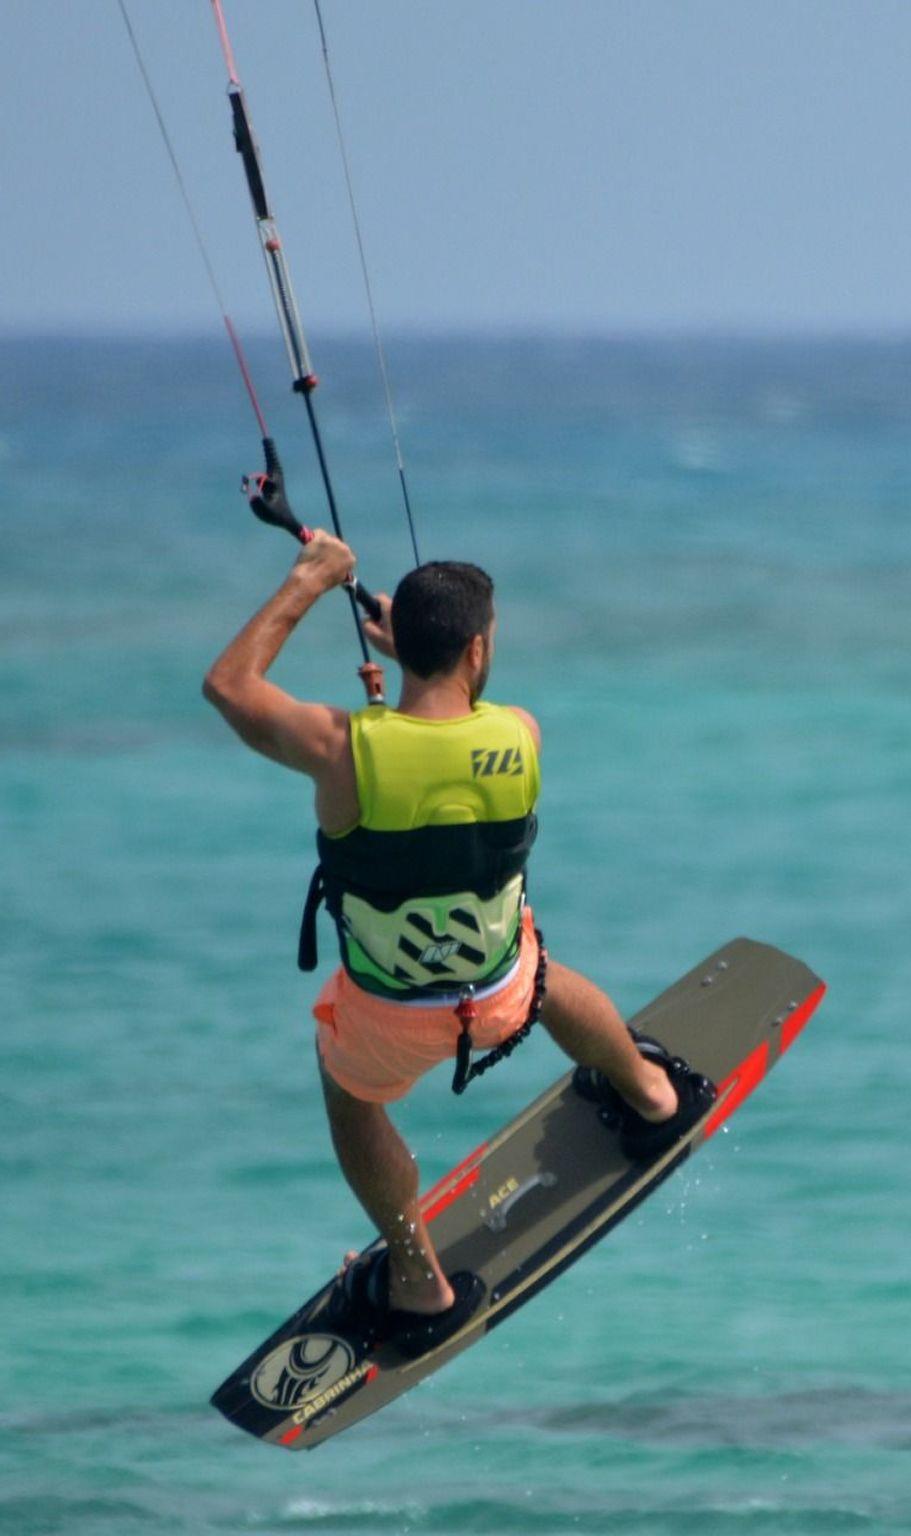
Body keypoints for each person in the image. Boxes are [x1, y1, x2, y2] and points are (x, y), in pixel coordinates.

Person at [203, 519, 715, 1355]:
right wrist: (414, 664)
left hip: (390, 1020)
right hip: (503, 993)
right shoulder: (520, 732)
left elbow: (228, 687)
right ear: (477, 650)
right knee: (542, 970)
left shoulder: (341, 749)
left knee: (349, 1094)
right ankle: (653, 1096)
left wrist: (311, 578)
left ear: (409, 647)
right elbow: (453, 740)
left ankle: (418, 1281)